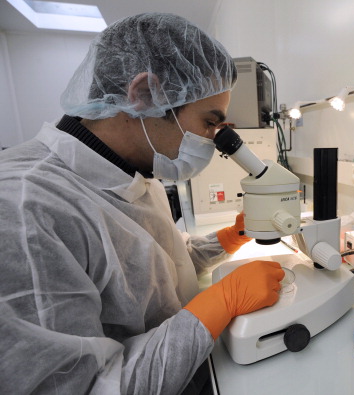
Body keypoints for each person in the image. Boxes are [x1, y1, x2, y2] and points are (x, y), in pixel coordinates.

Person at [0, 13, 285, 394]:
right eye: (209, 122)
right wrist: (220, 303)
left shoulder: (134, 170)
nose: (213, 139)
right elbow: (86, 387)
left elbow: (157, 271)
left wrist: (228, 239)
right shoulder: (25, 208)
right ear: (145, 95)